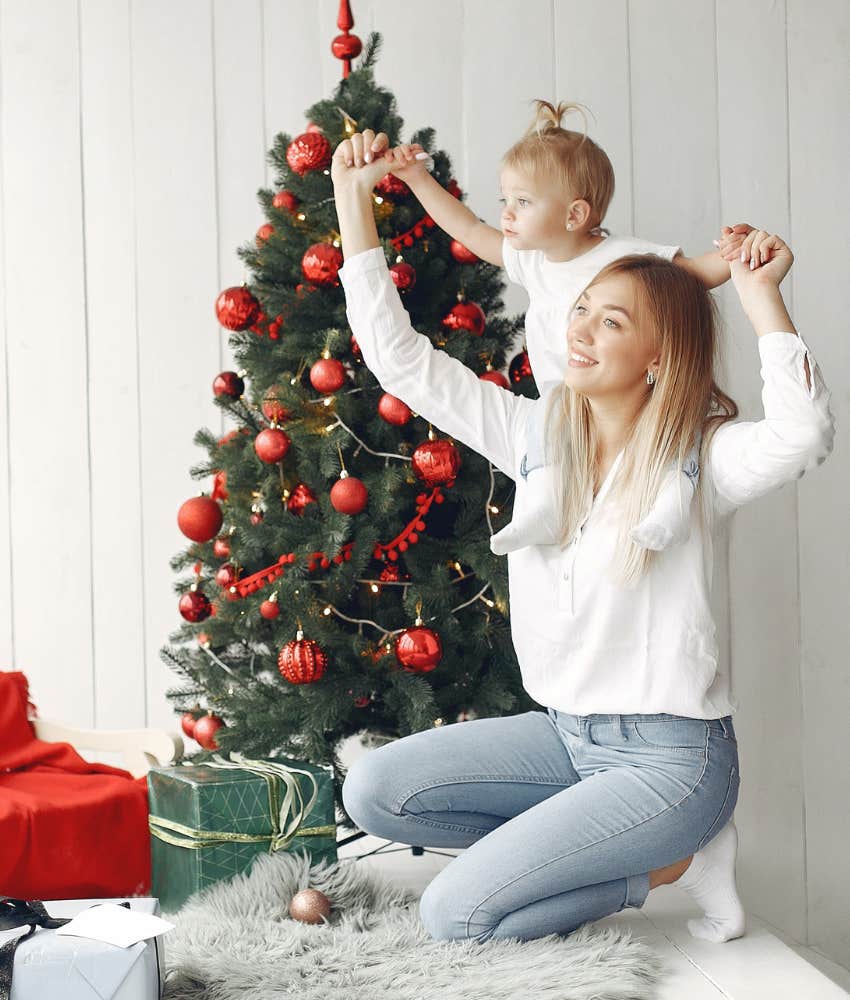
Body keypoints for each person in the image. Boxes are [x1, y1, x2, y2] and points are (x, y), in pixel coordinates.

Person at [331, 129, 835, 945]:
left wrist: (761, 297)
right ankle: (579, 847)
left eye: (609, 322)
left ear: (658, 358)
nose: (578, 332)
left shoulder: (703, 459)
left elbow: (804, 433)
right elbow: (404, 364)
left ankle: (665, 862)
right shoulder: (532, 437)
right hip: (562, 739)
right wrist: (354, 206)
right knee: (377, 791)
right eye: (579, 315)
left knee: (454, 912)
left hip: (673, 763)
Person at [371, 101, 755, 555]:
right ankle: (546, 506)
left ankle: (670, 505)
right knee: (545, 424)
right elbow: (470, 230)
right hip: (566, 396)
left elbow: (693, 274)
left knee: (676, 432)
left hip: (629, 395)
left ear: (574, 215)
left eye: (523, 202)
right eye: (505, 200)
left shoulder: (621, 259)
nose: (507, 214)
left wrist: (737, 252)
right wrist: (417, 179)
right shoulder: (532, 259)